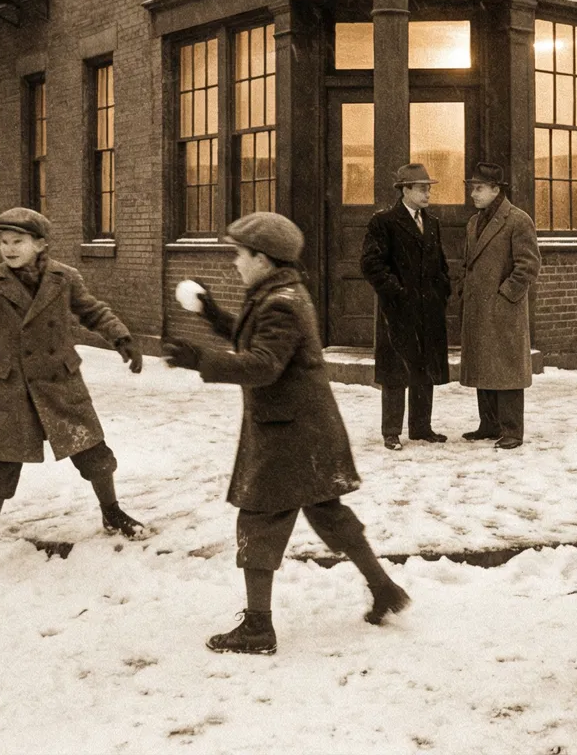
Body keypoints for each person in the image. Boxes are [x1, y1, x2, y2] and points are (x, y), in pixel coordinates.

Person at [162, 211, 410, 654]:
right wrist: (213, 312)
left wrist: (202, 359)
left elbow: (262, 365)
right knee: (327, 512)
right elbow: (256, 339)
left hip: (288, 435)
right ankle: (383, 588)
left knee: (259, 518)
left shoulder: (280, 302)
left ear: (263, 258)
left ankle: (258, 627)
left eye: (240, 254)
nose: (236, 262)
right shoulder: (279, 294)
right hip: (306, 429)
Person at [0, 207, 151, 583]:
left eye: (18, 242)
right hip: (13, 387)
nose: (8, 249)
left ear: (40, 244)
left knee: (94, 453)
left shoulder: (64, 278)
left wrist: (121, 337)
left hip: (61, 379)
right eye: (3, 242)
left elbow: (91, 311)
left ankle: (112, 512)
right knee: (0, 467)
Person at [359, 162, 451, 450]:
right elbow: (371, 264)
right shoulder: (384, 221)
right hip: (397, 310)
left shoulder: (432, 222)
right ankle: (391, 431)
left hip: (428, 309)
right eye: (422, 189)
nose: (428, 194)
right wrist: (396, 293)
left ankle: (421, 428)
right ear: (405, 190)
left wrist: (442, 291)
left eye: (428, 189)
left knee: (424, 367)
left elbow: (441, 264)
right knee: (396, 371)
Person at [455, 161, 541, 449]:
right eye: (472, 188)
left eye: (478, 188)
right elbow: (469, 262)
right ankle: (489, 424)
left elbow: (528, 265)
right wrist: (464, 289)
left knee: (507, 369)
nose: (473, 194)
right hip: (479, 308)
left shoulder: (517, 220)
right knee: (484, 366)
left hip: (503, 309)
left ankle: (512, 430)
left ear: (495, 189)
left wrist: (506, 296)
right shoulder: (473, 222)